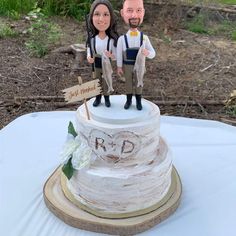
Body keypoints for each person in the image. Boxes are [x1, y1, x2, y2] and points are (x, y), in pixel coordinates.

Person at [117, 0, 156, 110]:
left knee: (139, 82)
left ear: (143, 12)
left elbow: (153, 53)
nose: (134, 15)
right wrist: (119, 66)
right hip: (127, 65)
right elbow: (119, 54)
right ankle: (129, 100)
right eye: (129, 10)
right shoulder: (122, 39)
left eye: (138, 10)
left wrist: (147, 53)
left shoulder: (144, 38)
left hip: (140, 66)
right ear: (122, 13)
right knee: (128, 83)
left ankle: (138, 100)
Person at [86, 0, 119, 107]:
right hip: (96, 64)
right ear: (91, 18)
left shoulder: (111, 40)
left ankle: (107, 97)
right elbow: (89, 49)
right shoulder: (92, 39)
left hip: (107, 64)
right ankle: (98, 98)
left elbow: (116, 56)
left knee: (106, 81)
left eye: (106, 14)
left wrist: (111, 55)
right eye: (97, 14)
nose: (101, 19)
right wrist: (89, 57)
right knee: (97, 82)